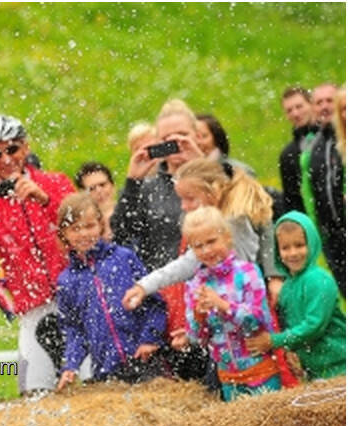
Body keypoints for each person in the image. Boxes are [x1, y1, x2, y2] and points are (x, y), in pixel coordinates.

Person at [0, 113, 74, 396]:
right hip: (32, 308)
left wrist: (45, 200)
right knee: (33, 395)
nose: (5, 159)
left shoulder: (55, 183)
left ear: (26, 147)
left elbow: (81, 228)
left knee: (93, 388)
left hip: (74, 299)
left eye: (12, 149)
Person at [123, 158, 282, 309]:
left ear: (214, 191)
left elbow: (191, 263)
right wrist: (144, 286)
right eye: (181, 200)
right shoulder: (217, 222)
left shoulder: (231, 224)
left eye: (190, 199)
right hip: (230, 308)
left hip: (242, 308)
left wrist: (145, 286)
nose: (184, 206)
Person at [54, 194, 167, 390]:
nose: (83, 234)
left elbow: (155, 303)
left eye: (89, 226)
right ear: (64, 233)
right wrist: (71, 365)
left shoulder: (123, 258)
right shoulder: (67, 281)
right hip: (106, 369)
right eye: (75, 228)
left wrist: (150, 339)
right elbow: (74, 329)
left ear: (101, 225)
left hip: (144, 359)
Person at [171, 207, 281, 402]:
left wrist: (224, 306)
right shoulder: (194, 284)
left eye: (212, 241)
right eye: (198, 246)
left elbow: (259, 320)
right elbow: (197, 338)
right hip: (229, 379)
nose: (206, 250)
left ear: (227, 237)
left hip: (261, 373)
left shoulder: (247, 272)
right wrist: (198, 316)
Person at [245, 212, 346, 380]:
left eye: (299, 245)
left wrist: (275, 341)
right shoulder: (288, 286)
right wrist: (289, 350)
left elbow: (314, 326)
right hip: (315, 370)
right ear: (278, 251)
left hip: (339, 365)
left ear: (312, 244)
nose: (293, 253)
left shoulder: (318, 280)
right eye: (285, 248)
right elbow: (290, 323)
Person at [112, 99, 204, 273]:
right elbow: (122, 235)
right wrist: (132, 183)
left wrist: (203, 167)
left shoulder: (221, 175)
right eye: (166, 139)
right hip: (163, 285)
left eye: (183, 135)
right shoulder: (148, 188)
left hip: (213, 285)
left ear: (197, 136)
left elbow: (234, 215)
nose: (175, 143)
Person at [306, 84, 346, 296]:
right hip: (333, 237)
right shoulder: (316, 147)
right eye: (319, 102)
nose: (324, 107)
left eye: (329, 101)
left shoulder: (342, 142)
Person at [278, 86, 321, 220]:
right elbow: (291, 200)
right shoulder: (287, 155)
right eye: (289, 110)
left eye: (299, 106)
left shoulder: (333, 138)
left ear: (311, 104)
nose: (295, 113)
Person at [195, 113, 256, 177]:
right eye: (195, 136)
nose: (198, 142)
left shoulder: (239, 171)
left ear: (216, 138)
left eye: (203, 136)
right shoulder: (186, 172)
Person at [74, 161, 117, 240]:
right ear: (82, 194)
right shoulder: (80, 227)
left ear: (113, 185)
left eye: (102, 185)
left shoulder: (131, 212)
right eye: (92, 188)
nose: (99, 191)